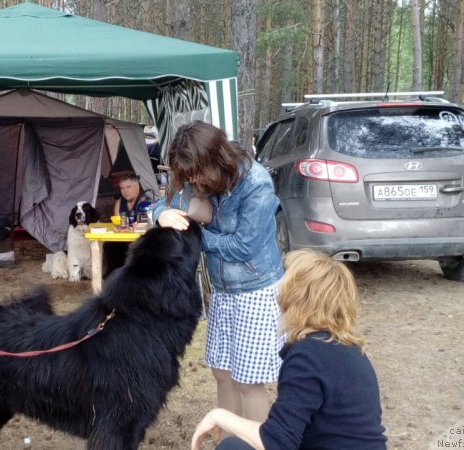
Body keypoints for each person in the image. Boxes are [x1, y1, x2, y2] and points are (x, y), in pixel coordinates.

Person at [153, 121, 284, 427]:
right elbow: (165, 202)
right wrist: (162, 215)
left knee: (249, 382)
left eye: (196, 173)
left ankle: (256, 444)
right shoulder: (198, 175)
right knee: (223, 373)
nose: (193, 181)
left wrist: (195, 233)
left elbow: (242, 247)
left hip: (257, 291)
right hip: (223, 291)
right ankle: (229, 443)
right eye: (188, 176)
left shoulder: (256, 184)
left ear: (215, 160)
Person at [190, 249, 387, 450]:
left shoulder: (308, 356)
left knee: (231, 448)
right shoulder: (352, 350)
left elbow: (276, 443)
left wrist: (219, 416)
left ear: (296, 299)